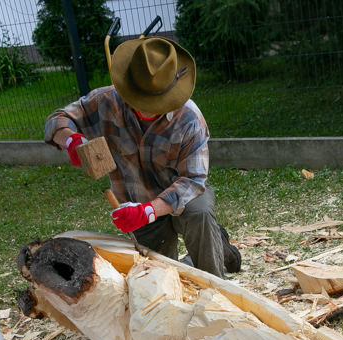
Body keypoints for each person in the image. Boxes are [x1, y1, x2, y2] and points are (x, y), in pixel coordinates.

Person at [44, 36, 241, 278]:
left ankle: (214, 273)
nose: (148, 108)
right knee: (162, 276)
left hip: (183, 199)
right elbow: (57, 119)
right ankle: (214, 245)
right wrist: (71, 140)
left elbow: (193, 180)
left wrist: (149, 210)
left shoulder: (190, 118)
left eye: (156, 100)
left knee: (200, 217)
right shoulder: (106, 101)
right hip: (136, 203)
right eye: (142, 99)